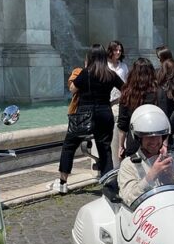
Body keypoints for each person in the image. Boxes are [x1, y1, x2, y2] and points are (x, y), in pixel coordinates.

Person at [53, 43, 124, 193]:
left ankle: (62, 184)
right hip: (105, 112)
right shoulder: (110, 74)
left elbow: (72, 90)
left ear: (90, 57)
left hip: (84, 114)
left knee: (69, 146)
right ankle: (109, 184)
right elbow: (126, 90)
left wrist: (82, 70)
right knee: (105, 149)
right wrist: (113, 102)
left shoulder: (86, 73)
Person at [117, 105, 174, 205]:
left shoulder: (172, 164)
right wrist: (151, 175)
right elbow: (128, 199)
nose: (154, 141)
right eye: (149, 137)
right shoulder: (129, 165)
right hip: (143, 216)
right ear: (139, 137)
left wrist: (169, 178)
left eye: (158, 136)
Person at [116, 57, 159, 159]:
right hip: (155, 141)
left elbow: (123, 123)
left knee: (134, 173)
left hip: (134, 140)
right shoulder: (158, 92)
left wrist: (121, 146)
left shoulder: (127, 93)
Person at [107, 40, 129, 166]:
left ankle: (118, 159)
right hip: (106, 100)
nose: (118, 52)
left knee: (117, 126)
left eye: (120, 50)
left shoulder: (123, 66)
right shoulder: (105, 65)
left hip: (118, 101)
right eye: (116, 50)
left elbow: (125, 84)